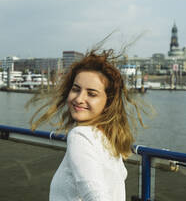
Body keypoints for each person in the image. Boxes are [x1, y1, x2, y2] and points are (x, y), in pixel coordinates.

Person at [29, 47, 145, 201]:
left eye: (91, 94)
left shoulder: (80, 136)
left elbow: (95, 195)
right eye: (76, 89)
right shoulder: (107, 138)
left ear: (108, 102)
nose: (79, 99)